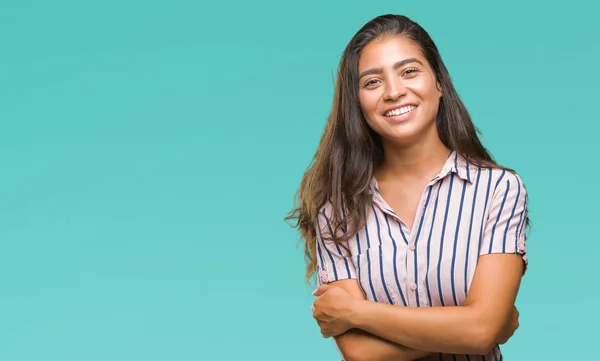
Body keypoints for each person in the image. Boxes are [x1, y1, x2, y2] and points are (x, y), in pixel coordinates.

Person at [285, 13, 530, 361]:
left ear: (439, 83)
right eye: (372, 82)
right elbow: (361, 354)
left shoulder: (498, 190)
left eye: (409, 71)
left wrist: (357, 312)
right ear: (358, 103)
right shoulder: (335, 213)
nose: (394, 91)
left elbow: (481, 331)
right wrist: (475, 328)